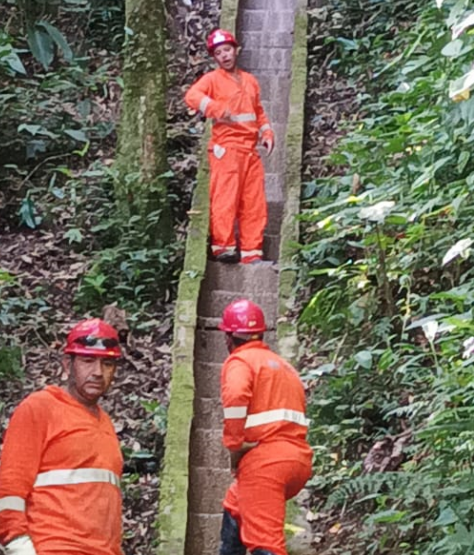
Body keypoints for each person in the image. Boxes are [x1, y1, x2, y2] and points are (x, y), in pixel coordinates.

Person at [0, 319, 124, 555]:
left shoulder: (105, 423)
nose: (97, 372)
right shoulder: (40, 408)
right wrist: (19, 545)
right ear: (67, 365)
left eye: (106, 364)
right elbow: (11, 486)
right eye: (87, 361)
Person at [216, 299, 313, 555]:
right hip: (297, 459)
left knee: (265, 543)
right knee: (235, 504)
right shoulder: (284, 366)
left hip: (266, 465)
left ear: (229, 337)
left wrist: (234, 444)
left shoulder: (241, 362)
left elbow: (236, 396)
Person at [184, 28, 274, 265]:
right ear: (215, 58)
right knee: (226, 198)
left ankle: (251, 251)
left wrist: (266, 131)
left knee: (254, 202)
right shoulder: (212, 79)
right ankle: (223, 247)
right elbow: (192, 96)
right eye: (218, 53)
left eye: (227, 50)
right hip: (226, 147)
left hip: (250, 150)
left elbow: (258, 112)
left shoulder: (251, 81)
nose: (224, 56)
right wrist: (215, 109)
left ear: (236, 50)